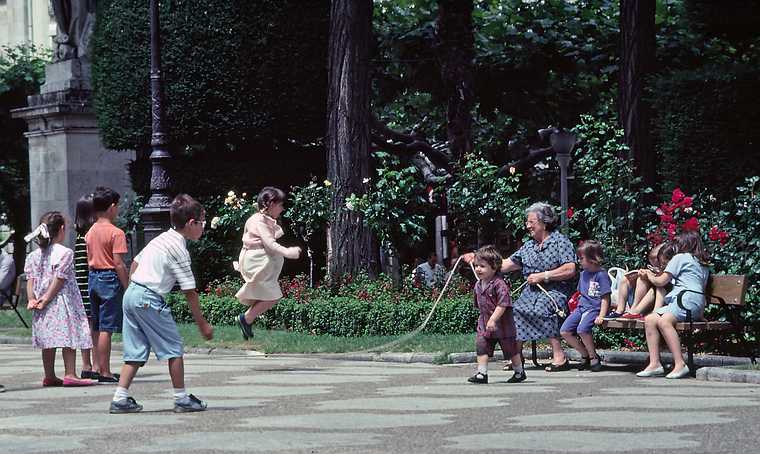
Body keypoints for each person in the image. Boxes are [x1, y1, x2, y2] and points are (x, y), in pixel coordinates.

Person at [110, 194, 214, 414]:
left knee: (135, 350)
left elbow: (135, 262)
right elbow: (189, 291)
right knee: (174, 348)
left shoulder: (161, 239)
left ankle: (120, 398)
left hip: (132, 294)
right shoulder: (178, 249)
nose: (203, 228)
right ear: (191, 223)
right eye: (202, 223)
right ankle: (181, 398)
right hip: (148, 297)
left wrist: (134, 290)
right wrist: (202, 324)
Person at [465, 202, 576, 372]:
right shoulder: (528, 246)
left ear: (544, 223)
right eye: (527, 222)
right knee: (513, 311)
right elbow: (503, 265)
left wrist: (543, 275)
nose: (528, 225)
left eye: (531, 222)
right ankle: (517, 358)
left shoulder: (560, 242)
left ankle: (559, 357)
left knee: (543, 308)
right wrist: (478, 259)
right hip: (531, 291)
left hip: (555, 290)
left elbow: (570, 269)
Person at [24, 211, 95, 387]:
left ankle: (49, 375)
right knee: (68, 337)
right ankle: (70, 373)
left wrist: (32, 299)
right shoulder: (65, 253)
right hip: (61, 301)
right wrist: (47, 299)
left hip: (40, 302)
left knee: (48, 340)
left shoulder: (34, 255)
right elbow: (60, 279)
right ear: (62, 229)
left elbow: (30, 280)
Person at [636, 231, 710, 379]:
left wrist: (648, 275)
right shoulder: (701, 263)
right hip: (692, 302)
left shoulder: (680, 257)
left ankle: (680, 364)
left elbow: (660, 281)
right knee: (650, 319)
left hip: (685, 300)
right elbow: (699, 288)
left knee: (665, 321)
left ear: (684, 245)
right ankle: (654, 363)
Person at [235, 187, 301, 340]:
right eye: (280, 205)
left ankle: (246, 319)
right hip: (256, 263)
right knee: (272, 295)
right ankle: (246, 318)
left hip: (259, 262)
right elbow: (270, 243)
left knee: (270, 294)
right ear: (270, 204)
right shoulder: (259, 221)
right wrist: (288, 252)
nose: (282, 208)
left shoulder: (262, 219)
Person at [85, 186, 128, 383]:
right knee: (107, 328)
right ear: (112, 207)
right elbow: (118, 263)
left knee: (96, 324)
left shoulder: (90, 231)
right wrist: (127, 285)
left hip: (93, 277)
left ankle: (96, 366)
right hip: (109, 278)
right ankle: (105, 371)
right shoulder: (116, 233)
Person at [468, 245, 525, 384]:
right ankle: (482, 373)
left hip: (503, 324)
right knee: (481, 345)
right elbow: (479, 304)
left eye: (482, 266)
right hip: (485, 322)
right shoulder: (478, 285)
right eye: (476, 266)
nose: (477, 269)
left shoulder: (499, 284)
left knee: (510, 349)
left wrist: (493, 319)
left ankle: (519, 372)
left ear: (494, 267)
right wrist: (485, 319)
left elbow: (503, 304)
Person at [560, 240, 611, 372]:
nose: (579, 261)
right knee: (564, 331)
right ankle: (585, 354)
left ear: (593, 258)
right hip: (581, 308)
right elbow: (581, 294)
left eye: (581, 258)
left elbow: (605, 297)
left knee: (582, 330)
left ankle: (594, 356)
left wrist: (602, 315)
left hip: (594, 308)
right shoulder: (583, 274)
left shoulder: (601, 275)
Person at [74, 194, 98, 379]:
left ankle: (86, 363)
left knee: (85, 326)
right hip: (89, 286)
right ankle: (94, 364)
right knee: (94, 326)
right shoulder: (89, 238)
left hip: (79, 288)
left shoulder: (79, 236)